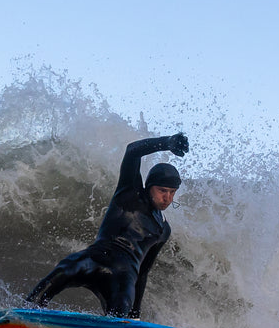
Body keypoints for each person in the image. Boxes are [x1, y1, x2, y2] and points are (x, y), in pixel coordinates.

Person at [25, 133, 190, 317]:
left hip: (122, 279)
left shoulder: (163, 229)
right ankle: (21, 316)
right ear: (149, 186)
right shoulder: (129, 192)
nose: (167, 198)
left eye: (172, 192)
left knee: (121, 315)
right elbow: (132, 151)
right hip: (92, 260)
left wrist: (135, 312)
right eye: (162, 190)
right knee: (63, 270)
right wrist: (167, 142)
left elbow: (143, 272)